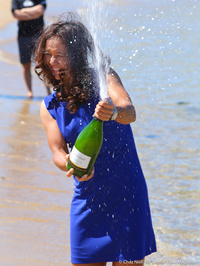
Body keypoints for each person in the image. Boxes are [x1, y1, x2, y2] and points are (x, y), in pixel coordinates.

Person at [34, 13, 157, 266]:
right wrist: (68, 162)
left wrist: (113, 112)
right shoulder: (48, 107)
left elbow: (129, 112)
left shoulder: (104, 77)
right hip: (88, 197)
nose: (53, 62)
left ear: (77, 54)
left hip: (127, 192)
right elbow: (57, 152)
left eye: (60, 55)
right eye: (48, 54)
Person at [11, 0, 51, 98]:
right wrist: (34, 13)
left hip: (39, 36)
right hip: (23, 36)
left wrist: (24, 12)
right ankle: (30, 92)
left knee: (44, 64)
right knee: (26, 64)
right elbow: (16, 14)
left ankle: (49, 92)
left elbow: (41, 10)